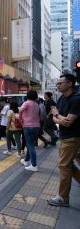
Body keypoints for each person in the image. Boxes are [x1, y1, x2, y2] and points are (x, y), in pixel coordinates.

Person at [47, 74, 80, 207]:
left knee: (64, 166)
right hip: (65, 136)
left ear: (70, 84)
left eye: (61, 83)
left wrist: (56, 115)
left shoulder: (76, 99)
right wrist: (58, 116)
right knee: (69, 166)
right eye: (58, 83)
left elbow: (67, 123)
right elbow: (55, 119)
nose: (58, 85)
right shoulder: (61, 98)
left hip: (72, 137)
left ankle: (63, 198)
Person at [19, 90, 41, 172]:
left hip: (28, 126)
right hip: (36, 126)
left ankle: (34, 165)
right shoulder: (36, 104)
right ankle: (26, 160)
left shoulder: (27, 103)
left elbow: (21, 110)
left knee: (30, 145)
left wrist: (20, 117)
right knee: (30, 144)